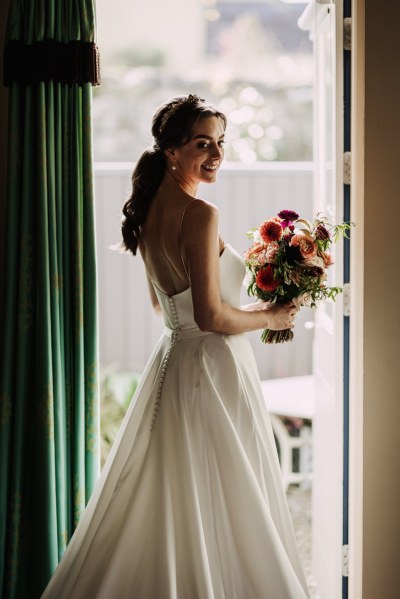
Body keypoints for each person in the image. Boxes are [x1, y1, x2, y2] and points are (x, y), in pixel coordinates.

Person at [42, 94, 309, 598]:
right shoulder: (201, 213)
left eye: (221, 142)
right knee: (226, 495)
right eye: (201, 143)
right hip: (213, 365)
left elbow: (164, 307)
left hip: (171, 362)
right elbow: (208, 317)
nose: (215, 154)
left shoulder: (146, 212)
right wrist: (269, 314)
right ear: (171, 150)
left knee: (175, 492)